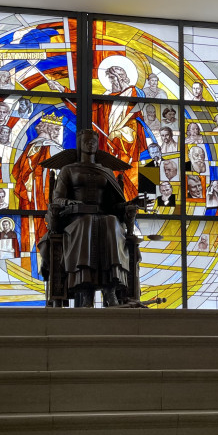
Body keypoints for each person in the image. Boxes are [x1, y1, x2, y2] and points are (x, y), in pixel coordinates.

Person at [48, 129, 135, 307]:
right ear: (79, 144)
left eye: (94, 141)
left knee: (111, 222)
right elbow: (57, 199)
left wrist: (130, 205)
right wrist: (71, 203)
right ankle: (85, 289)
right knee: (87, 222)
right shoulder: (68, 170)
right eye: (87, 141)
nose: (91, 144)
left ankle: (110, 290)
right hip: (76, 218)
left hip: (103, 217)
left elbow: (115, 204)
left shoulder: (106, 171)